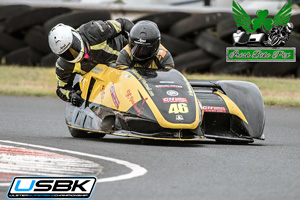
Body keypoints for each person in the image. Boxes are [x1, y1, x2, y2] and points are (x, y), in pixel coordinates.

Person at [48, 18, 134, 107]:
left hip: (128, 60)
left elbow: (122, 23)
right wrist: (71, 95)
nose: (72, 54)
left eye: (73, 47)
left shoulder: (94, 31)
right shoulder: (63, 65)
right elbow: (61, 89)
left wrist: (134, 45)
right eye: (66, 54)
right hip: (105, 85)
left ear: (75, 36)